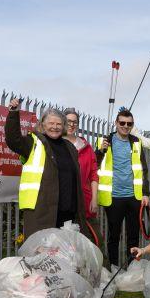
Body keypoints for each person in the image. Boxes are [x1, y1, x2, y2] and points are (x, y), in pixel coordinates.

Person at [5, 100, 88, 238]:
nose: (55, 127)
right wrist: (13, 113)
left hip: (68, 213)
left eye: (58, 124)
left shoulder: (70, 147)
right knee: (43, 254)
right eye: (51, 123)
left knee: (65, 255)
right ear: (43, 124)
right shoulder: (33, 142)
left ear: (63, 127)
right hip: (42, 212)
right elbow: (13, 140)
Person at [96, 109, 150, 269]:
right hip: (113, 197)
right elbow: (94, 163)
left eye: (129, 124)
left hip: (134, 197)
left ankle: (132, 268)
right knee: (114, 236)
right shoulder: (105, 141)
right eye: (122, 123)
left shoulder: (136, 142)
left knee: (133, 236)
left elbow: (143, 169)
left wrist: (146, 193)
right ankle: (113, 268)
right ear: (116, 123)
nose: (125, 126)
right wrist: (100, 150)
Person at [63, 107, 104, 254]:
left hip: (85, 200)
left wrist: (94, 198)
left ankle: (97, 270)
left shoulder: (86, 147)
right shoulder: (57, 144)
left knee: (94, 239)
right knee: (67, 243)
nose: (71, 124)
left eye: (75, 122)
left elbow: (93, 174)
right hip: (64, 201)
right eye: (68, 121)